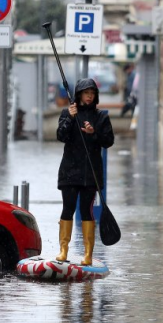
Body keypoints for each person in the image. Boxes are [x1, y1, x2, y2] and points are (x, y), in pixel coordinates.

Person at [55, 78, 115, 266]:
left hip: (91, 172)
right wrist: (71, 119)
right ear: (79, 94)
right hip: (70, 171)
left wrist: (93, 133)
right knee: (68, 208)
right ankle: (63, 249)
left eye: (92, 93)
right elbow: (61, 136)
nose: (89, 96)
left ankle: (88, 253)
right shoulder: (68, 112)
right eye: (86, 93)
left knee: (86, 211)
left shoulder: (102, 116)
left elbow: (108, 141)